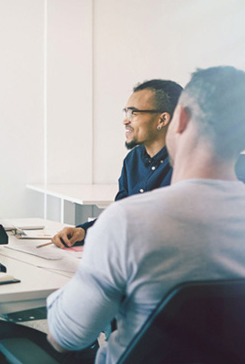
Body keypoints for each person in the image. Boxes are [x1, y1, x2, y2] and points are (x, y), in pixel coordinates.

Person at [46, 66, 245, 364]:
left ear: (178, 119)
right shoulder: (125, 204)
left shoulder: (126, 223)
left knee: (7, 348)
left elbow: (66, 338)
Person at [52, 79, 183, 248]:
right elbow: (120, 217)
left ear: (162, 120)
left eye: (133, 114)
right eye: (126, 113)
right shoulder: (132, 159)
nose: (125, 121)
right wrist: (83, 232)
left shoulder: (188, 164)